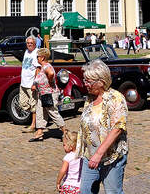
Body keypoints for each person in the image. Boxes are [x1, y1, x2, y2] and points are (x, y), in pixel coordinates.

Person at [76, 59, 128, 194]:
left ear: (101, 82)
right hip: (90, 157)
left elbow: (118, 128)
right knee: (85, 191)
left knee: (113, 192)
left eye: (89, 81)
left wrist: (99, 154)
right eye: (85, 80)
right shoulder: (89, 99)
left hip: (111, 157)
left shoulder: (115, 98)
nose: (85, 84)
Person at [31, 47, 65, 141]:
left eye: (38, 57)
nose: (37, 58)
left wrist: (50, 81)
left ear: (42, 57)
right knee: (40, 112)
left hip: (49, 94)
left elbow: (50, 73)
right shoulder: (41, 68)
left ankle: (65, 132)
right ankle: (39, 132)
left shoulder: (47, 66)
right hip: (42, 94)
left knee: (52, 112)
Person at [19, 36, 40, 133]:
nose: (29, 44)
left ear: (35, 44)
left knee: (33, 104)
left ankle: (33, 124)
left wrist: (35, 83)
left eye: (31, 43)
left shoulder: (36, 53)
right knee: (22, 103)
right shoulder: (26, 52)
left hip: (31, 83)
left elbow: (38, 69)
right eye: (28, 43)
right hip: (23, 82)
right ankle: (38, 116)